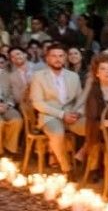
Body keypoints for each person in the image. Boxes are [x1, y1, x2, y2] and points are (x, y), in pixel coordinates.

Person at [30, 43, 86, 173]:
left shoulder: (73, 76)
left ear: (65, 58)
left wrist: (78, 113)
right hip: (50, 115)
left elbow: (81, 100)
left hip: (71, 115)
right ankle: (66, 167)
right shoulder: (38, 76)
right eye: (54, 56)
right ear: (47, 58)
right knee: (57, 133)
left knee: (93, 128)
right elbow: (37, 103)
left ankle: (86, 161)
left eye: (61, 56)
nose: (58, 59)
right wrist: (61, 114)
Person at [0, 66, 22, 156]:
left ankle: (10, 149)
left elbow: (12, 94)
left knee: (17, 120)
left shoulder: (6, 75)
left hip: (5, 104)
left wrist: (7, 104)